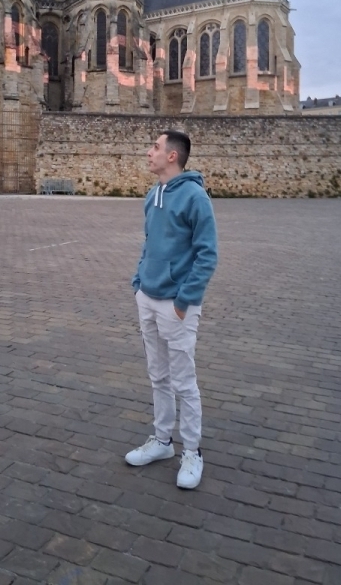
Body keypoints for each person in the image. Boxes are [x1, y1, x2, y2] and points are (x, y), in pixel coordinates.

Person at [127, 130, 218, 489]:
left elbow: (207, 254)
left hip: (177, 306)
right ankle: (162, 441)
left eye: (155, 147)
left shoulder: (195, 197)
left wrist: (184, 301)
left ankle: (192, 451)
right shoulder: (153, 195)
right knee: (158, 376)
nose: (148, 152)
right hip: (147, 298)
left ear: (172, 156)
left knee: (183, 382)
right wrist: (139, 282)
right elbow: (150, 243)